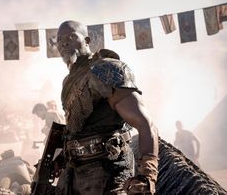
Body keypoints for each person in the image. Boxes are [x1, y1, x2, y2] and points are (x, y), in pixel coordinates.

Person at [52, 20, 159, 195]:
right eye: (60, 40)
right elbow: (81, 129)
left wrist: (147, 175)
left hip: (107, 170)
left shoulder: (105, 68)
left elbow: (145, 123)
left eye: (71, 36)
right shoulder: (68, 81)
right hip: (75, 172)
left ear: (86, 40)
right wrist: (63, 156)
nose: (64, 42)